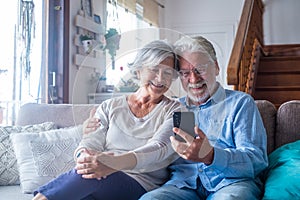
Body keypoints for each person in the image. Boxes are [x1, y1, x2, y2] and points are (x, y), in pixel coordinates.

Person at [32, 39, 182, 200]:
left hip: (140, 184)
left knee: (91, 177)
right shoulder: (109, 106)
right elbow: (89, 142)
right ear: (138, 71)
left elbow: (159, 149)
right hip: (102, 175)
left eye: (167, 73)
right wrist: (85, 158)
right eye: (154, 69)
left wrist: (113, 163)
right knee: (85, 185)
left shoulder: (179, 111)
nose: (160, 79)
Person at [139, 36, 268, 200]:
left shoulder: (240, 103)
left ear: (216, 67)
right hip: (182, 186)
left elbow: (257, 161)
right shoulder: (175, 109)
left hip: (230, 184)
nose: (193, 79)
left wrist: (211, 156)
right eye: (185, 73)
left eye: (200, 69)